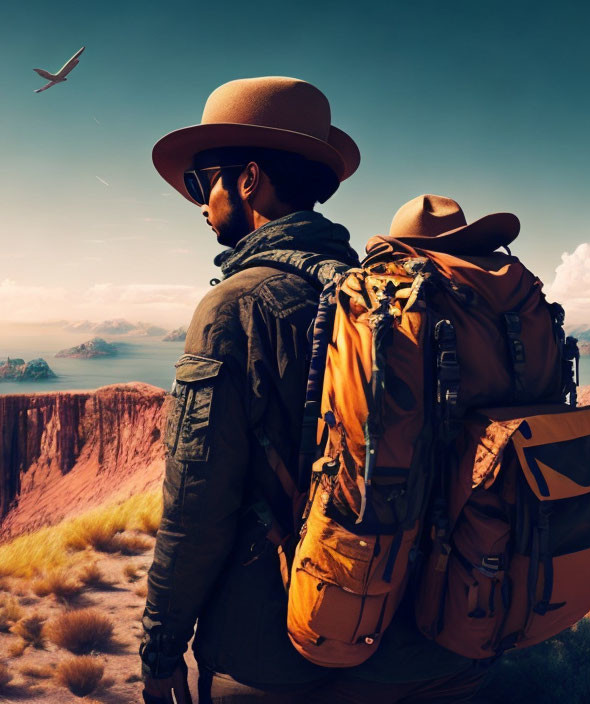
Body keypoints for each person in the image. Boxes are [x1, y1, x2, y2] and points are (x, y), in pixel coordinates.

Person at [140, 76, 361, 703]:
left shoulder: (235, 307)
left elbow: (195, 510)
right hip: (404, 638)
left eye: (200, 181)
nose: (199, 203)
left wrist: (160, 652)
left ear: (249, 180)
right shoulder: (374, 296)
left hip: (276, 650)